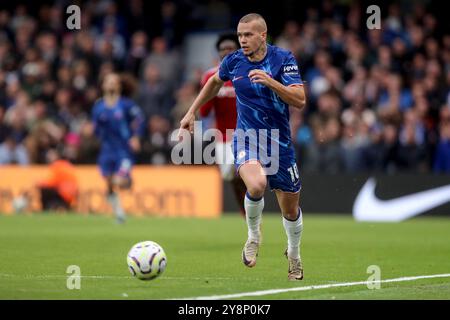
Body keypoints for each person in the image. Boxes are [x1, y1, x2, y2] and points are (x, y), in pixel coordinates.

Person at [179, 13, 307, 280]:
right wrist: (191, 111)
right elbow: (213, 83)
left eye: (248, 35)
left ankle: (294, 254)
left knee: (290, 210)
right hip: (246, 138)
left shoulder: (283, 59)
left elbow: (300, 99)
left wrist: (271, 82)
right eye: (239, 35)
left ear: (263, 35)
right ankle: (253, 235)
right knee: (256, 184)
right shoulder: (233, 61)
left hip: (279, 143)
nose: (242, 40)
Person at [199, 33, 246, 216]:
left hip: (247, 133)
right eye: (222, 49)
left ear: (238, 51)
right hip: (223, 136)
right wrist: (213, 92)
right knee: (230, 176)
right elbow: (204, 111)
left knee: (241, 171)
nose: (226, 52)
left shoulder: (248, 73)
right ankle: (246, 210)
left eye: (230, 48)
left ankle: (253, 204)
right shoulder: (211, 76)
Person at [92, 72, 145, 223]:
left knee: (118, 180)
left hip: (123, 150)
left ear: (119, 86)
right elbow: (96, 129)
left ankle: (128, 181)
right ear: (103, 85)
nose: (111, 84)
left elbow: (140, 120)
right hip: (106, 150)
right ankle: (119, 213)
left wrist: (136, 137)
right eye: (108, 81)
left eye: (114, 81)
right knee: (109, 183)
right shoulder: (98, 107)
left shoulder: (126, 104)